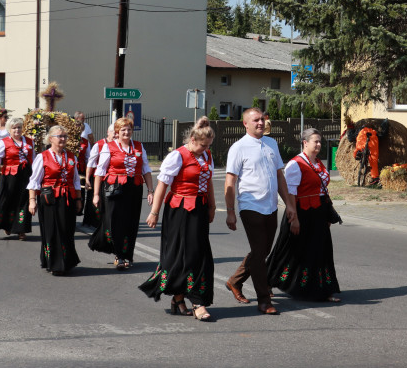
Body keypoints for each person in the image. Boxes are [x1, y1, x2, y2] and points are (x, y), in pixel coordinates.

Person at [139, 118, 218, 321]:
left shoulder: (206, 155)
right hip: (180, 211)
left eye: (208, 146)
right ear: (192, 139)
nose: (206, 149)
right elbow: (162, 185)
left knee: (200, 255)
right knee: (185, 256)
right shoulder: (177, 156)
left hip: (199, 210)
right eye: (202, 145)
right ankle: (197, 302)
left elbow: (208, 182)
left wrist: (212, 206)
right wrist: (154, 212)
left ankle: (179, 298)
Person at [224, 107, 298, 315]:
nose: (260, 123)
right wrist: (231, 211)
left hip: (271, 206)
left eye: (262, 119)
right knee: (259, 251)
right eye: (255, 120)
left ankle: (234, 281)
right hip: (250, 205)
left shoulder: (271, 143)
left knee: (263, 251)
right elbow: (230, 181)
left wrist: (289, 205)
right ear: (245, 124)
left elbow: (279, 176)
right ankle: (264, 299)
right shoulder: (238, 148)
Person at [266, 128, 342, 302]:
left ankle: (322, 290)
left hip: (318, 212)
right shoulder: (296, 164)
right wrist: (294, 219)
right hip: (300, 212)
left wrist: (326, 215)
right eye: (315, 141)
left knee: (320, 251)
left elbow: (322, 189)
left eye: (320, 141)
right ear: (305, 143)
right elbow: (290, 193)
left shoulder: (317, 162)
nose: (319, 144)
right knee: (287, 251)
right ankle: (266, 281)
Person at [91, 117, 155, 269]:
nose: (126, 132)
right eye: (123, 130)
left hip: (134, 187)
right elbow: (100, 171)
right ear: (117, 132)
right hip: (115, 187)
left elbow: (146, 169)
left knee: (131, 222)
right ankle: (119, 255)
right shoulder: (109, 147)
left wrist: (151, 190)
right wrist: (96, 194)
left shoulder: (139, 146)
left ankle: (127, 255)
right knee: (115, 222)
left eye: (129, 129)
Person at [27, 126, 81, 275]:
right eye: (59, 136)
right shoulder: (42, 157)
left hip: (68, 197)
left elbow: (76, 180)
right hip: (49, 197)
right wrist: (32, 200)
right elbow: (34, 181)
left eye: (65, 136)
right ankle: (54, 263)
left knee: (67, 230)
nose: (63, 139)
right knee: (52, 230)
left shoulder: (71, 157)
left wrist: (78, 199)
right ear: (51, 139)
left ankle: (66, 261)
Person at [0, 118, 34, 239]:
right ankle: (7, 226)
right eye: (14, 128)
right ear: (9, 130)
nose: (17, 130)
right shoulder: (3, 142)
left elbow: (33, 159)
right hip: (10, 176)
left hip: (25, 175)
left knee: (24, 201)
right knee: (7, 200)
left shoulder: (29, 142)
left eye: (19, 127)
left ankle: (21, 230)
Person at [82, 124, 113, 232]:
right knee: (95, 199)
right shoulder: (99, 145)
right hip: (97, 177)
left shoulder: (118, 145)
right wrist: (87, 178)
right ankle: (92, 222)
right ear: (108, 132)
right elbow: (91, 163)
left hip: (110, 178)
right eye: (113, 132)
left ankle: (105, 221)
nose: (115, 135)